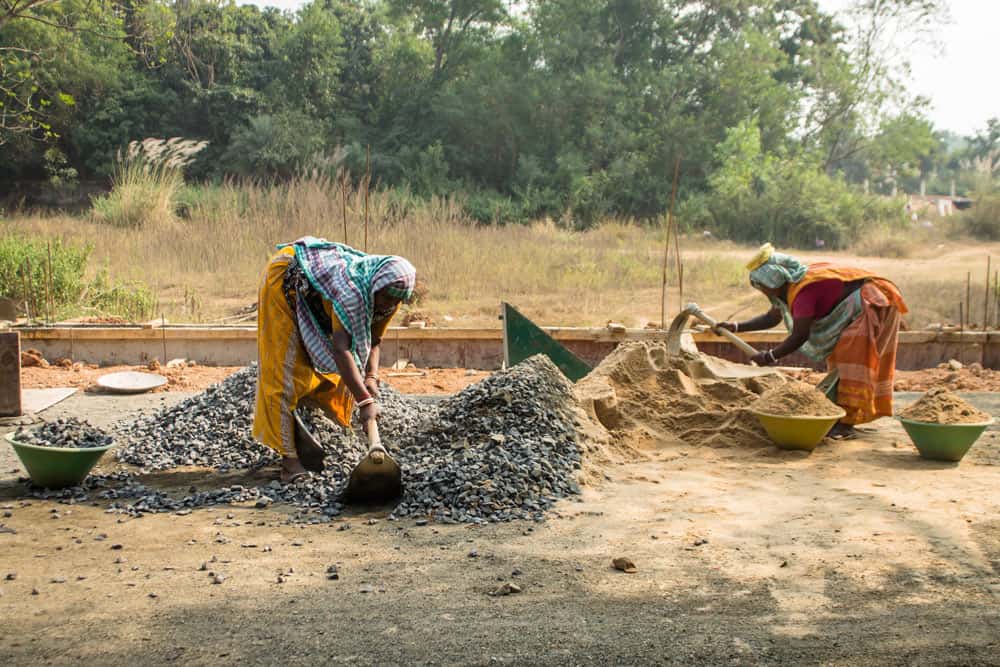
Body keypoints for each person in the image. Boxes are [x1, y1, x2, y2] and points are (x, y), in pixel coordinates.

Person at [252, 236, 416, 482]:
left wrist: (371, 376)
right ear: (376, 287)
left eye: (395, 302)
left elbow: (374, 339)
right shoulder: (351, 294)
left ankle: (311, 416)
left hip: (317, 297)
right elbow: (341, 349)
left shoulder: (389, 298)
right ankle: (289, 461)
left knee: (350, 374)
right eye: (385, 298)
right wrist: (364, 401)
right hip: (285, 281)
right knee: (284, 371)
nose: (388, 305)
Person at [718, 243, 908, 439]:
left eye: (762, 286)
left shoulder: (803, 292)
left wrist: (769, 356)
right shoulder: (789, 287)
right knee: (839, 363)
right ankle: (842, 415)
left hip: (872, 303)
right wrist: (735, 326)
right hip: (861, 305)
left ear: (773, 282)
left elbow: (800, 335)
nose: (762, 292)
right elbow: (772, 318)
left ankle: (846, 423)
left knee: (852, 361)